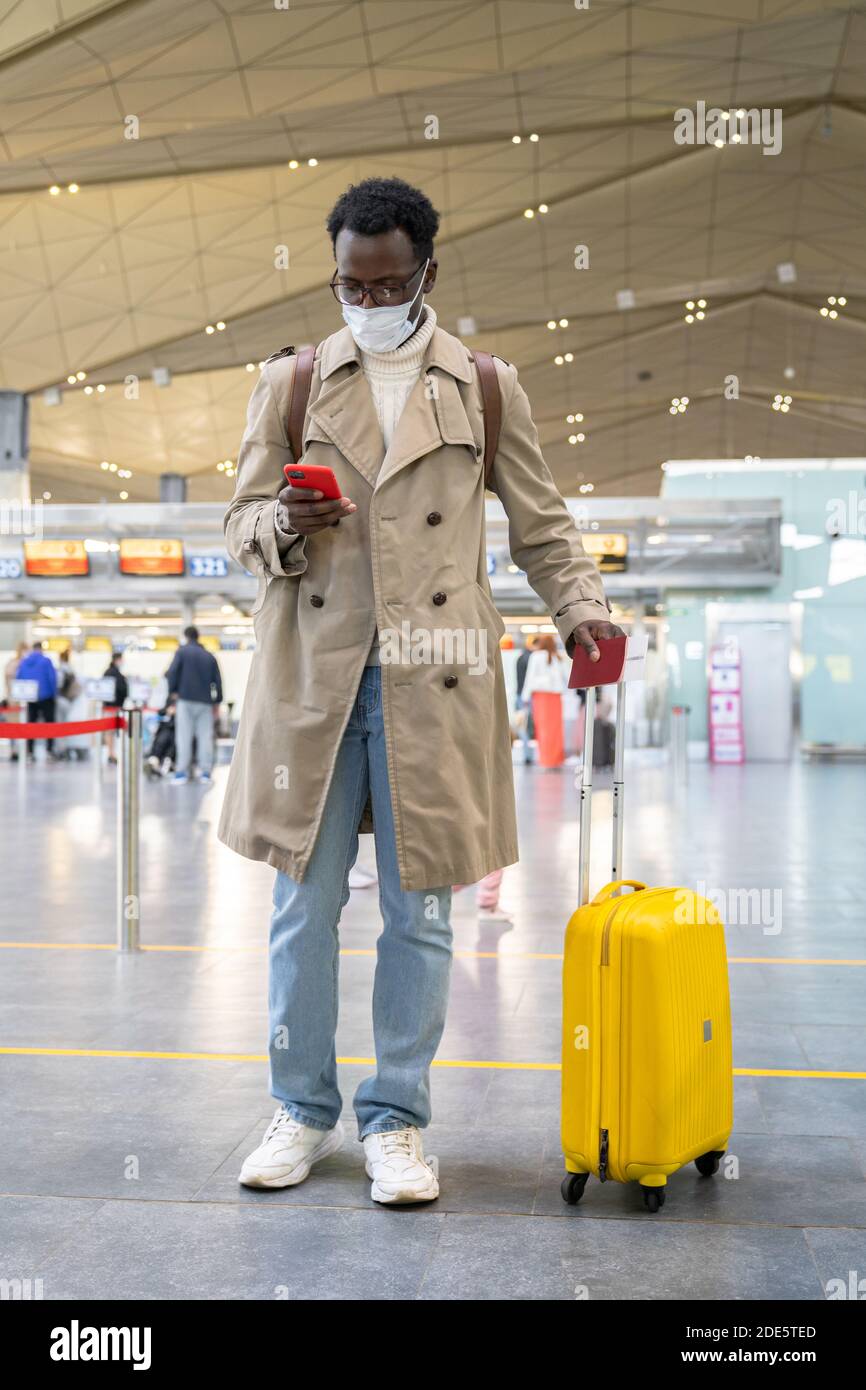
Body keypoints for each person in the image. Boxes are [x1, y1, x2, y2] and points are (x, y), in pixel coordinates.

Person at [219, 176, 622, 1204]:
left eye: (386, 281)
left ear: (426, 274)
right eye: (350, 283)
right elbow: (236, 525)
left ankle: (396, 1120)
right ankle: (299, 1110)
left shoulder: (484, 386)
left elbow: (540, 524)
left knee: (422, 913)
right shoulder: (294, 383)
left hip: (432, 682)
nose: (366, 298)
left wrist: (580, 609)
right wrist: (281, 527)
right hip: (313, 682)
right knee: (299, 912)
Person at [165, 627, 223, 785]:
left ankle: (181, 773)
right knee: (205, 737)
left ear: (185, 637)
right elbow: (217, 681)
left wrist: (173, 692)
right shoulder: (209, 656)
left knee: (184, 737)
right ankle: (205, 773)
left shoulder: (182, 652)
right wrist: (217, 701)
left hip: (185, 700)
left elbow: (172, 673)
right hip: (205, 703)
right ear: (198, 637)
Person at [521, 634, 570, 767]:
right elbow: (566, 678)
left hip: (540, 697)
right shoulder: (558, 657)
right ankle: (556, 759)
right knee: (556, 729)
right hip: (556, 697)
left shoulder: (536, 656)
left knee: (542, 728)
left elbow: (530, 677)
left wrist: (525, 696)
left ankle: (546, 760)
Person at [16, 640, 58, 760]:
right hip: (46, 696)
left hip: (30, 698)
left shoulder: (24, 662)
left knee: (30, 724)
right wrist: (54, 694)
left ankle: (30, 752)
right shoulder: (46, 661)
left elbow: (19, 678)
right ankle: (49, 750)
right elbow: (52, 678)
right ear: (41, 649)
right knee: (49, 724)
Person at [3, 641, 28, 762]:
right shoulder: (14, 663)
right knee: (13, 726)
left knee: (22, 726)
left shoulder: (24, 663)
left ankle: (22, 749)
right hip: (14, 701)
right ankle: (14, 750)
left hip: (22, 701)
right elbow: (8, 677)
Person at [102, 651, 128, 764]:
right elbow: (121, 689)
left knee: (111, 731)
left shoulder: (109, 672)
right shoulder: (113, 673)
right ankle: (111, 753)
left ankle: (112, 753)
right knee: (110, 731)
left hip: (112, 706)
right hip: (112, 707)